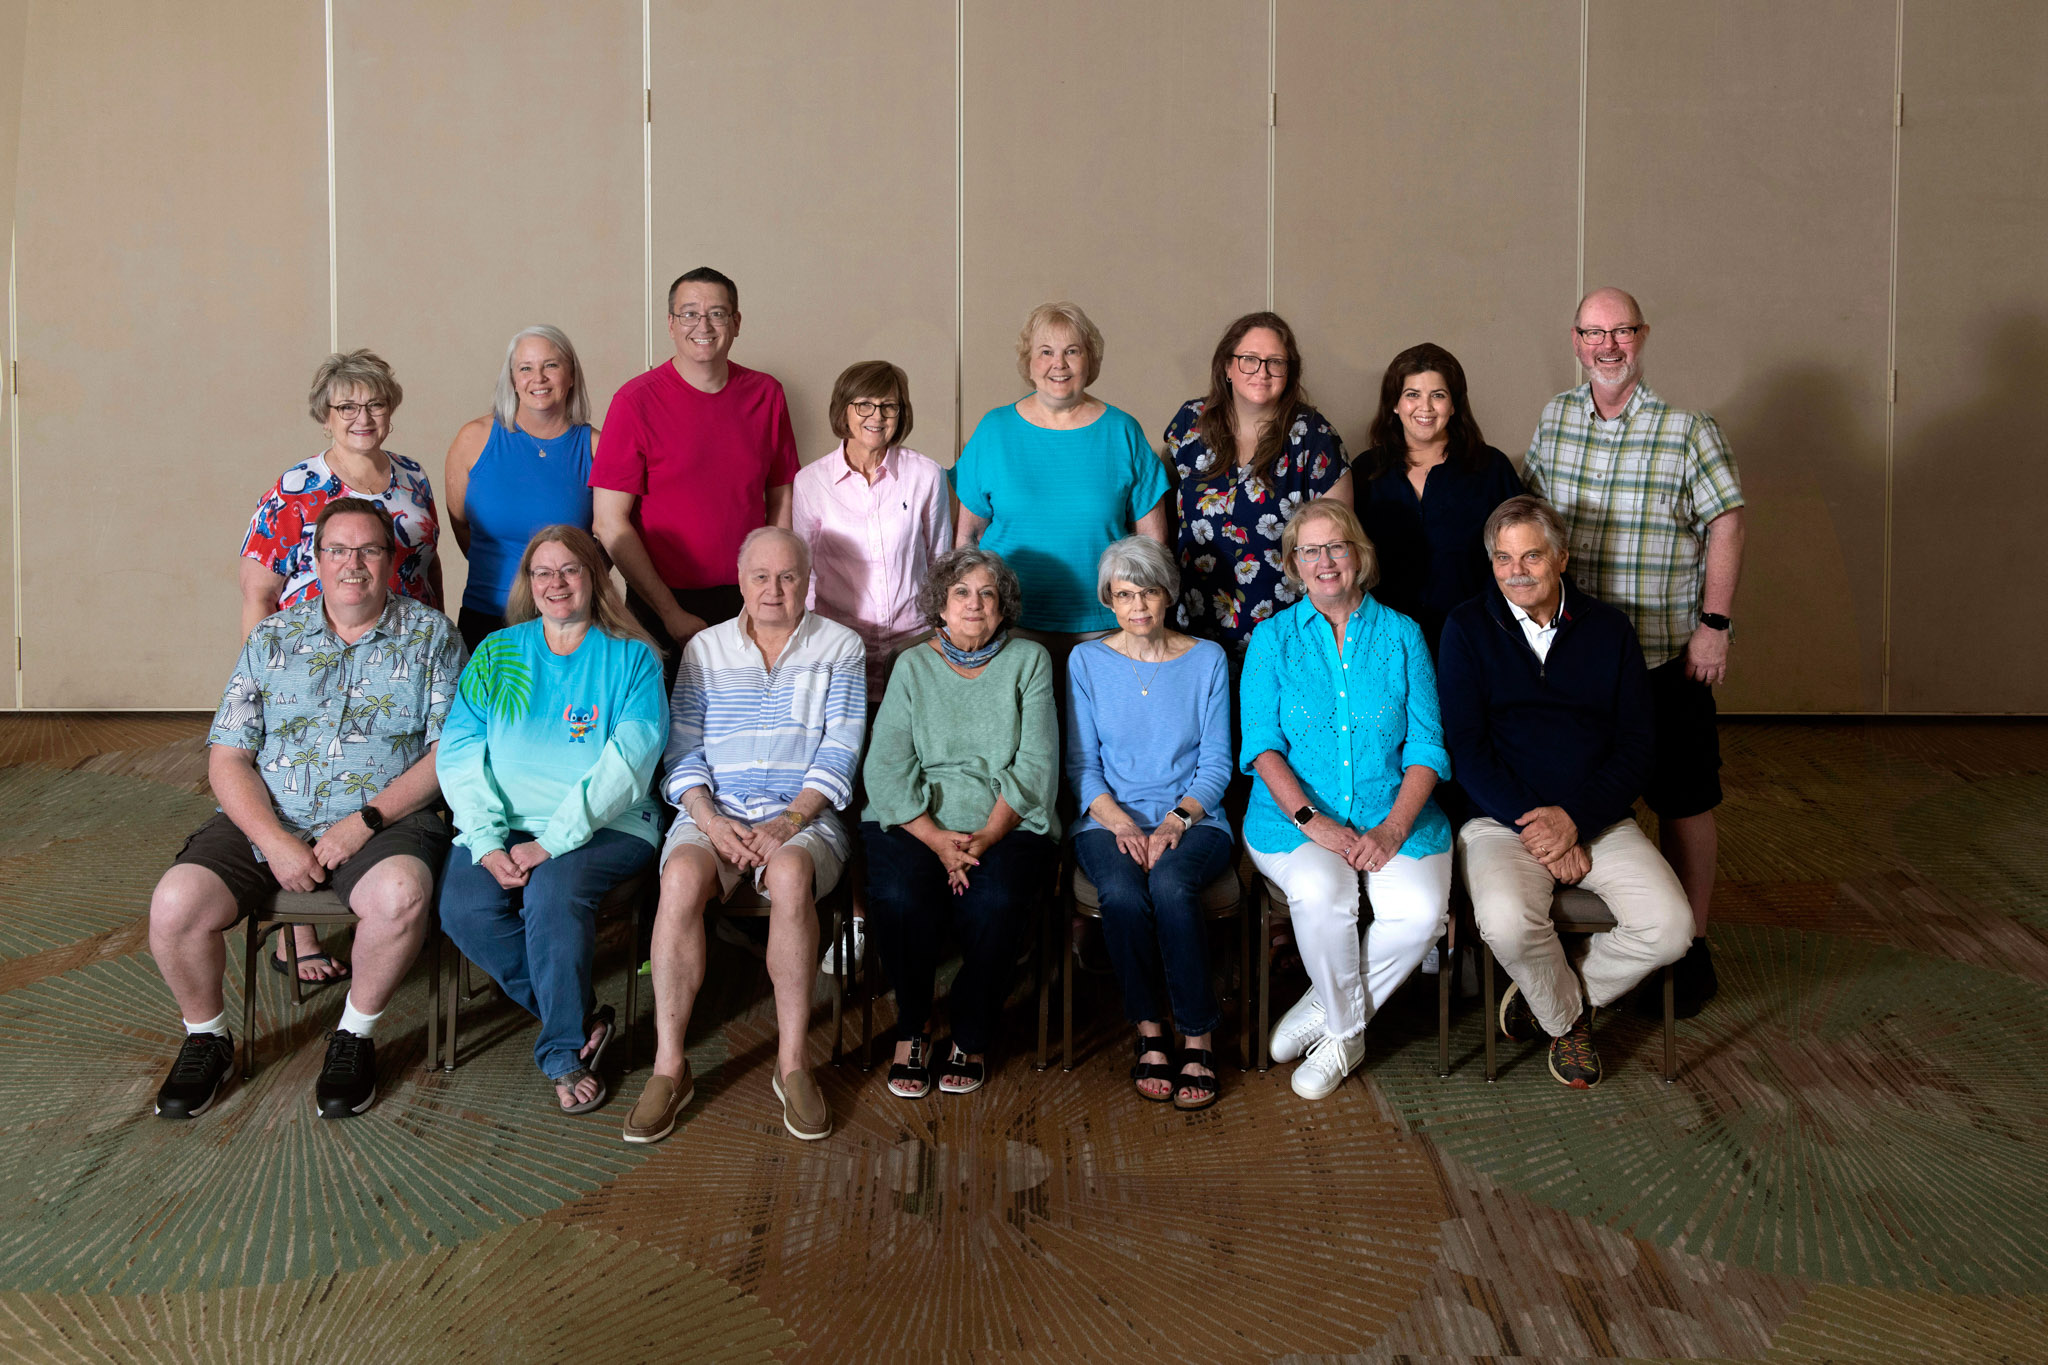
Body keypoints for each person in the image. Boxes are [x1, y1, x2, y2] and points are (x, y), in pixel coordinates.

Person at [149, 498, 464, 1120]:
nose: (353, 564)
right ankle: (206, 1038)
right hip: (271, 818)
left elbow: (445, 755)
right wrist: (274, 841)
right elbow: (228, 757)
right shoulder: (273, 638)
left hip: (386, 821)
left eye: (369, 550)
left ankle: (354, 1035)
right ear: (315, 561)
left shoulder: (432, 637)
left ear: (391, 559)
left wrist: (364, 822)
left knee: (400, 896)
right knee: (174, 904)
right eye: (337, 550)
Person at [1522, 287, 1746, 1014]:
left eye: (1621, 332)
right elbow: (1530, 522)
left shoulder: (1687, 430)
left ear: (1642, 336)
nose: (1608, 346)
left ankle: (1693, 943)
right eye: (1594, 333)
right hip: (1573, 661)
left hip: (1663, 654)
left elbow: (1727, 524)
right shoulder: (1556, 418)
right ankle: (1583, 938)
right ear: (1576, 340)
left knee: (1684, 798)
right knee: (1583, 800)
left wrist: (1715, 623)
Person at [1438, 496, 1693, 1087]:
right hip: (1500, 820)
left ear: (1561, 558)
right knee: (1505, 922)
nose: (1516, 572)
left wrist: (1574, 819)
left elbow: (1637, 748)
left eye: (1531, 556)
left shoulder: (1609, 629)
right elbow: (1467, 751)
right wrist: (1542, 827)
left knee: (1671, 928)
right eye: (1503, 559)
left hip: (1597, 817)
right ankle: (1569, 1023)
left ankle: (1552, 1000)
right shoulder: (1466, 628)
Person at [623, 528, 866, 1145]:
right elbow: (681, 749)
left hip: (804, 815)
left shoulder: (840, 647)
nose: (773, 589)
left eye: (788, 576)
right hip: (716, 812)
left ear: (808, 581)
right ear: (740, 581)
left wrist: (788, 822)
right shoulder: (704, 649)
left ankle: (793, 1064)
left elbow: (841, 749)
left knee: (789, 873)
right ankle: (670, 1067)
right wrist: (709, 820)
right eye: (761, 576)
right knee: (681, 877)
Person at [435, 526, 667, 1114]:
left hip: (609, 824)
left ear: (595, 577)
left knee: (552, 895)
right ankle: (578, 1014)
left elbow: (629, 763)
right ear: (528, 583)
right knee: (462, 906)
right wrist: (486, 841)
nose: (555, 583)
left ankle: (563, 1051)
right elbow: (459, 753)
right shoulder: (496, 653)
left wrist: (552, 843)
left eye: (570, 570)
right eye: (543, 572)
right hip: (504, 824)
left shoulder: (633, 657)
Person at [241, 350, 444, 983]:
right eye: (347, 406)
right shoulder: (296, 488)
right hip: (311, 661)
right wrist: (269, 683)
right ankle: (297, 934)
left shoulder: (412, 477)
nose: (362, 416)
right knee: (304, 776)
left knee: (392, 771)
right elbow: (257, 593)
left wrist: (438, 639)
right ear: (324, 415)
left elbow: (427, 566)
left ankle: (388, 906)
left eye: (375, 403)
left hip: (403, 653)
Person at [1240, 499, 1452, 1100]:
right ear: (1294, 564)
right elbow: (1261, 747)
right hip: (1294, 820)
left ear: (1359, 555)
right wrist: (1312, 821)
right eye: (1309, 551)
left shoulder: (1403, 634)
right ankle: (1346, 1036)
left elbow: (1428, 745)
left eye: (1336, 546)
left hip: (1394, 811)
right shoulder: (1272, 639)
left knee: (1420, 914)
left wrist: (1393, 828)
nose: (1324, 561)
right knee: (1322, 893)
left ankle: (1328, 1011)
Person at [861, 548, 1058, 1100]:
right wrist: (935, 839)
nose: (974, 604)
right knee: (899, 896)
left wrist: (986, 837)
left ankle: (971, 1030)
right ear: (941, 607)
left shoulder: (1029, 661)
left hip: (1005, 820)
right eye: (962, 593)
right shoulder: (911, 665)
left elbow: (1037, 762)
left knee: (997, 902)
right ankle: (914, 1023)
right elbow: (886, 764)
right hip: (916, 819)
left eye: (987, 594)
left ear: (1003, 607)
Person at [792, 360, 953, 978]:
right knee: (855, 790)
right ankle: (860, 919)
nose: (875, 416)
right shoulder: (812, 482)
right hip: (843, 654)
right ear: (843, 410)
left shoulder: (925, 474)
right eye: (863, 404)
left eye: (887, 405)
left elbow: (942, 563)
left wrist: (942, 646)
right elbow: (804, 577)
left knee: (916, 782)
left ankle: (919, 914)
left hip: (913, 651)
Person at [1066, 538, 1233, 1109]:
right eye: (1124, 595)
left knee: (1169, 883)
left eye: (1149, 592)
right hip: (1107, 820)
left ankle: (1198, 1034)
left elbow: (1217, 764)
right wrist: (1122, 825)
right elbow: (1082, 766)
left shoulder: (1207, 659)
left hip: (1195, 818)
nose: (1138, 606)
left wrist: (1174, 822)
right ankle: (1150, 1031)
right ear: (1108, 601)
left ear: (1169, 595)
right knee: (1120, 891)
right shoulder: (1086, 662)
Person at [591, 267, 799, 667]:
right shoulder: (634, 402)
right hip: (660, 602)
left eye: (717, 313)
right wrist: (670, 612)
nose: (703, 325)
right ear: (671, 324)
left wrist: (772, 591)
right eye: (689, 314)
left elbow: (781, 499)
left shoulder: (767, 394)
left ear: (736, 322)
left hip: (750, 599)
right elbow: (609, 522)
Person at [952, 302, 1170, 669]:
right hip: (1007, 628)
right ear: (1029, 362)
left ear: (1090, 360)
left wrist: (1141, 622)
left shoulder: (1122, 431)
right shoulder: (994, 430)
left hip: (1106, 630)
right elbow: (966, 540)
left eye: (1072, 351)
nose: (1059, 364)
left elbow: (1154, 544)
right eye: (1046, 352)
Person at [1165, 311, 1350, 650]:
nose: (1262, 372)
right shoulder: (1190, 423)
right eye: (1249, 359)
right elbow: (1161, 514)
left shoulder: (1314, 436)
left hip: (1284, 636)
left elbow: (1337, 550)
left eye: (1275, 362)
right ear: (1227, 366)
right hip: (1192, 630)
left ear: (1288, 371)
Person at [1356, 342, 1523, 653]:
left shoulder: (1491, 468)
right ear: (1395, 404)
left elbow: (1520, 554)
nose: (1426, 407)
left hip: (1474, 640)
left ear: (1454, 404)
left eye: (1438, 395)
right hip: (1383, 644)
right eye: (1412, 394)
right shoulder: (1366, 472)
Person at [442, 327, 598, 651]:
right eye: (526, 368)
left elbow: (612, 537)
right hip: (486, 617)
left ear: (571, 375)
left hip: (569, 622)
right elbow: (460, 523)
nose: (538, 378)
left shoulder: (598, 448)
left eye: (551, 365)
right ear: (512, 379)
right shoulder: (473, 439)